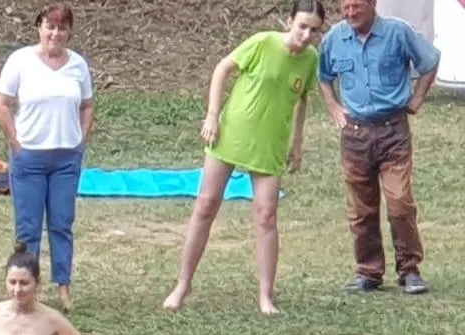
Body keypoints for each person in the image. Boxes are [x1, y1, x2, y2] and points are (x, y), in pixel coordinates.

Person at [164, 2, 325, 314]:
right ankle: (183, 285)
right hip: (231, 136)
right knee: (206, 205)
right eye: (302, 26)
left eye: (314, 30)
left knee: (266, 215)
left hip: (270, 144)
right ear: (289, 21)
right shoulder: (262, 42)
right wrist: (212, 116)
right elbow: (222, 69)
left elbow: (302, 99)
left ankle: (266, 295)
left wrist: (298, 142)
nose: (307, 35)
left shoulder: (310, 59)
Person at [318, 0, 437, 295]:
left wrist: (418, 98)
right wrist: (333, 106)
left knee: (400, 203)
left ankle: (409, 270)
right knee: (361, 209)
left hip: (393, 131)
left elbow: (430, 61)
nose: (350, 13)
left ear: (372, 3)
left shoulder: (398, 32)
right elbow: (324, 76)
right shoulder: (334, 38)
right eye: (345, 7)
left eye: (356, 7)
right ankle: (368, 272)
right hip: (355, 135)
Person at [0, 4, 93, 311]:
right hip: (29, 157)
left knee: (62, 223)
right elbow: (2, 104)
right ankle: (27, 287)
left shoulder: (78, 64)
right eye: (50, 26)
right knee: (28, 228)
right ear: (39, 27)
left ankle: (63, 286)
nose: (55, 33)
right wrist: (14, 140)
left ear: (70, 32)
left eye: (62, 28)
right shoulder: (20, 61)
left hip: (66, 158)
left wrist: (81, 140)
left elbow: (87, 105)